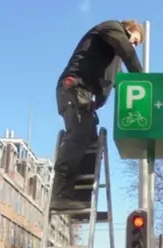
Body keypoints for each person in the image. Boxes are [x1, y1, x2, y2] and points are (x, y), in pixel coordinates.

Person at [51, 19, 145, 211]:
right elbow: (126, 51)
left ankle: (79, 200)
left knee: (91, 143)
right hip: (73, 87)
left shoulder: (113, 58)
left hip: (83, 95)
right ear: (128, 30)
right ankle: (60, 194)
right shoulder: (112, 28)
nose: (133, 45)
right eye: (134, 41)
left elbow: (114, 81)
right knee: (78, 136)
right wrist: (142, 78)